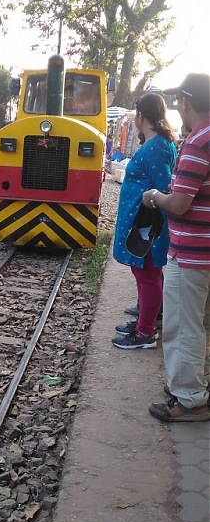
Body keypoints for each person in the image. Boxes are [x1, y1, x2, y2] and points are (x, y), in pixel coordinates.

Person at [142, 73, 210, 422]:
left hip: (191, 253)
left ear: (185, 101)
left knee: (183, 326)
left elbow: (180, 202)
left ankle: (189, 400)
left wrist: (155, 197)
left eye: (178, 101)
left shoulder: (199, 141)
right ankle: (196, 388)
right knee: (198, 324)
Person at [112, 93, 177, 349]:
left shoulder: (156, 147)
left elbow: (163, 188)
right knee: (144, 272)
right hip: (142, 221)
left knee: (147, 274)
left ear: (141, 115)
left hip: (147, 224)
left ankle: (145, 334)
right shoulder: (156, 144)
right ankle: (146, 319)